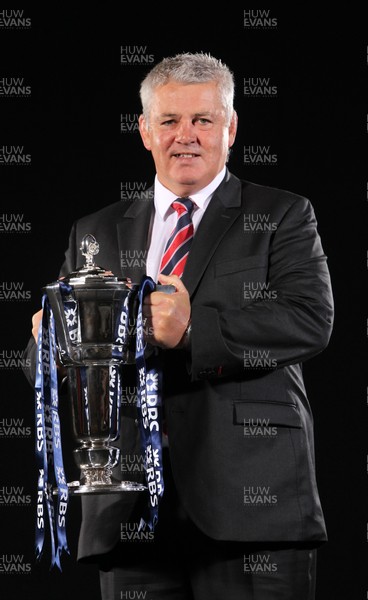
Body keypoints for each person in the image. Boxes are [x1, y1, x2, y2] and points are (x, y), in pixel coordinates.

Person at [24, 52, 334, 599]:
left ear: (231, 127)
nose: (184, 136)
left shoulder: (284, 213)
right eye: (169, 121)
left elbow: (309, 319)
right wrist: (49, 344)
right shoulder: (94, 231)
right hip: (130, 512)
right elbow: (55, 366)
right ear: (145, 130)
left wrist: (193, 331)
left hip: (250, 506)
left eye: (203, 120)